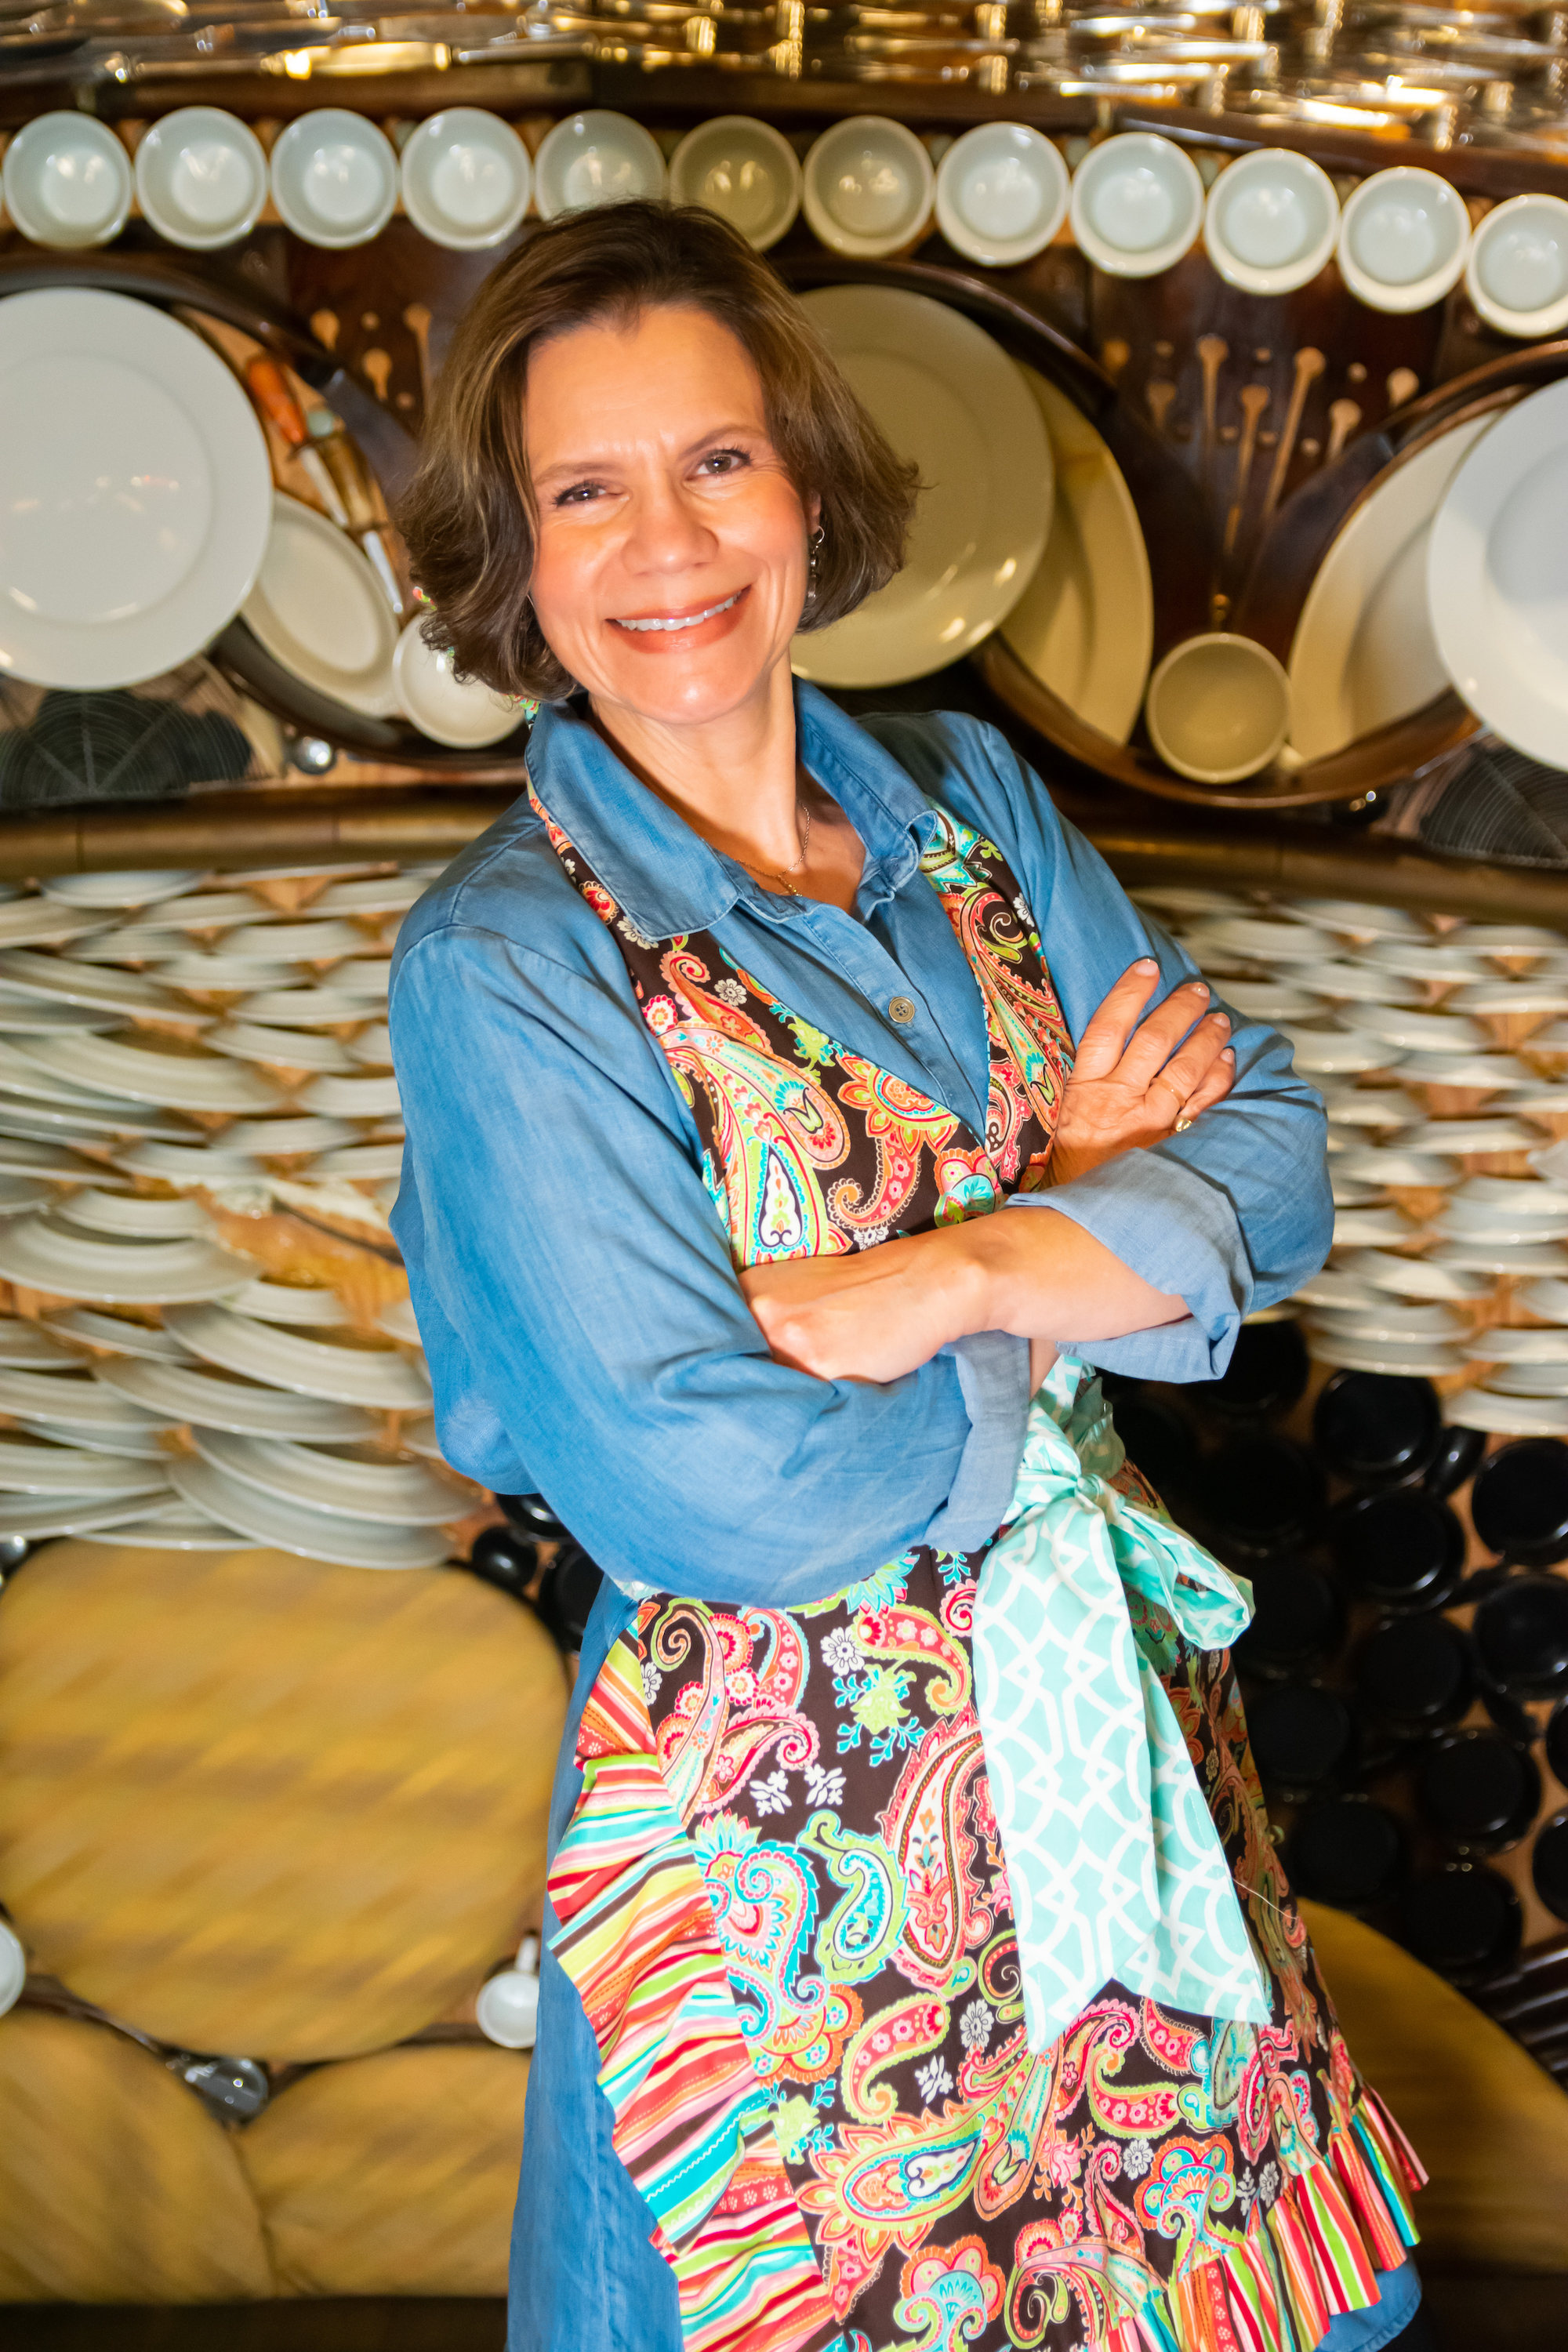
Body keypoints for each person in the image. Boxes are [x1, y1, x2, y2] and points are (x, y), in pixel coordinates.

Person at [390, 201, 1432, 2352]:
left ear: (805, 486)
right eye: (585, 491)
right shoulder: (505, 963)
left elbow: (1283, 1163)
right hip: (778, 1834)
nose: (665, 544)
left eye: (717, 462)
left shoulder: (972, 804)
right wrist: (1085, 1235)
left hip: (1112, 1748)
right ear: (520, 558)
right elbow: (710, 1482)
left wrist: (948, 1283)